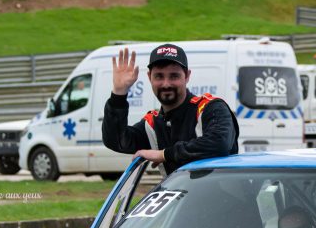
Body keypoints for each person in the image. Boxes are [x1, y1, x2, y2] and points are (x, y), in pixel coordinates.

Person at [102, 44, 238, 175]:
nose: (166, 84)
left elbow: (219, 143)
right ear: (149, 78)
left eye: (174, 76)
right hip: (184, 197)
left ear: (187, 76)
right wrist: (119, 94)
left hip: (225, 197)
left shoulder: (211, 107)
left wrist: (163, 154)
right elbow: (116, 141)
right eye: (159, 76)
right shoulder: (152, 124)